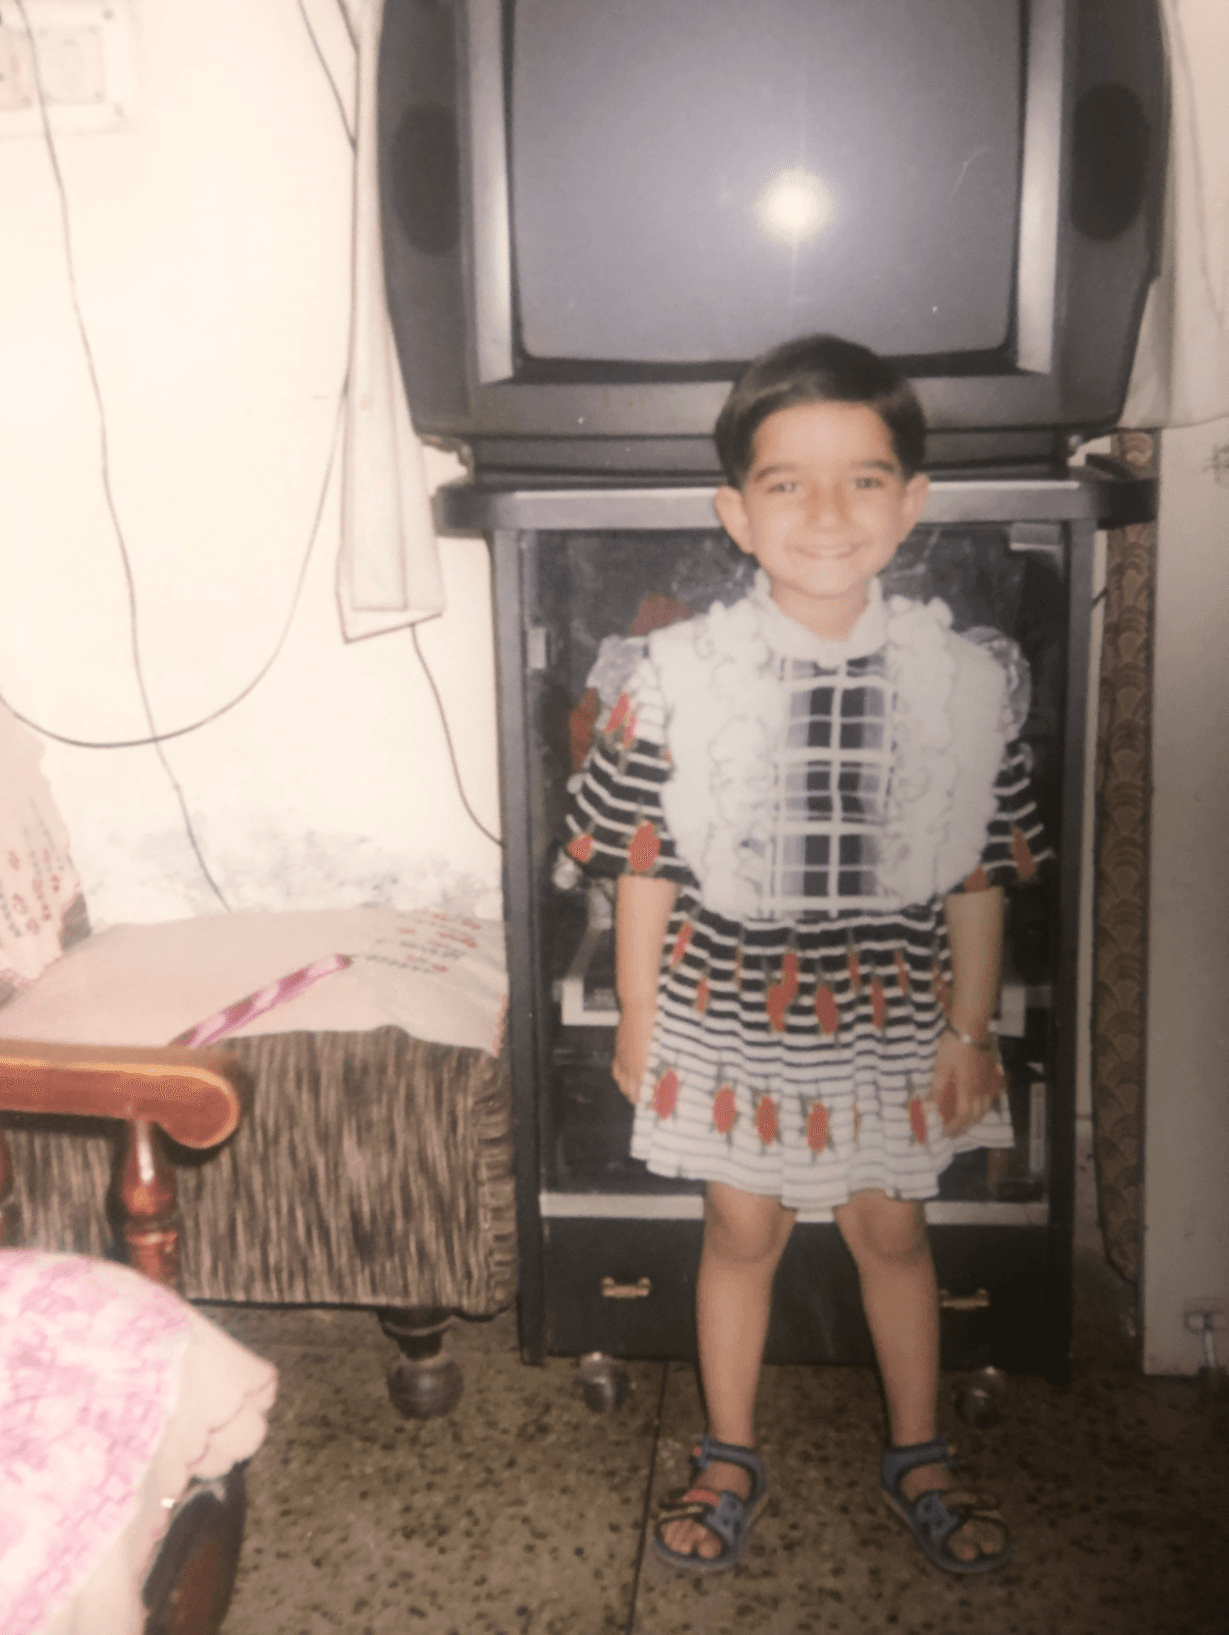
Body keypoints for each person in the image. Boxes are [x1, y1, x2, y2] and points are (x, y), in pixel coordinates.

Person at [564, 334, 1045, 1577]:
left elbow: (977, 872)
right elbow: (642, 858)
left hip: (892, 1008)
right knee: (741, 1228)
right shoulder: (678, 676)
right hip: (726, 1006)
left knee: (891, 1229)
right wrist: (636, 1014)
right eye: (787, 483)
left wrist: (969, 1028)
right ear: (735, 512)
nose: (827, 514)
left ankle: (918, 1450)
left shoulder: (960, 680)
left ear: (911, 501)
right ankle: (728, 1451)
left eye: (862, 479)